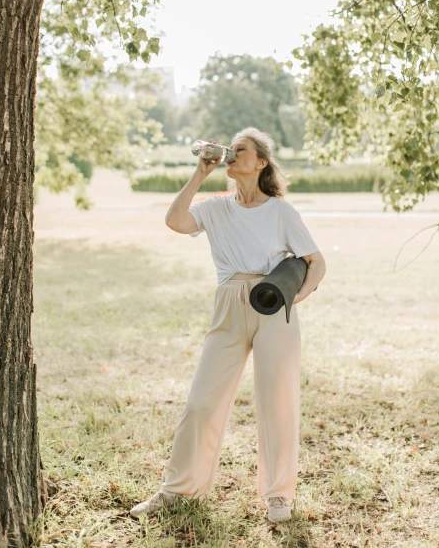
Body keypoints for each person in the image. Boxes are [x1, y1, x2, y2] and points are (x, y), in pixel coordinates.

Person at [130, 127, 326, 524]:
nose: (232, 155)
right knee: (201, 402)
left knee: (278, 402)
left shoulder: (281, 211)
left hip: (274, 306)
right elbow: (175, 221)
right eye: (230, 150)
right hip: (229, 303)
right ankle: (177, 490)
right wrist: (199, 174)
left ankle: (278, 496)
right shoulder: (216, 206)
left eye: (241, 150)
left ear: (261, 162)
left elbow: (316, 263)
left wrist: (293, 298)